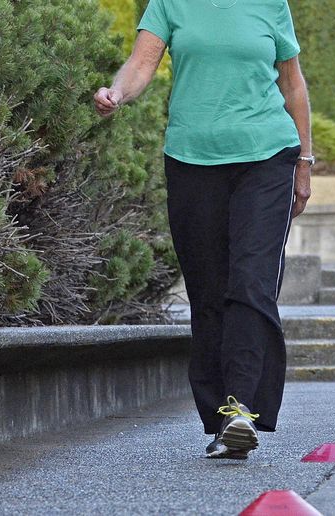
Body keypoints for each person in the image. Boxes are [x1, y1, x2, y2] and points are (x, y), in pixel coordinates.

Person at [93, 0, 314, 460]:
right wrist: (116, 93)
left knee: (252, 282)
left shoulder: (271, 4)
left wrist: (305, 162)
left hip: (268, 154)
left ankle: (241, 410)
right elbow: (141, 63)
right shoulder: (169, 3)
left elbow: (292, 83)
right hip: (192, 161)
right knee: (208, 291)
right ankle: (221, 423)